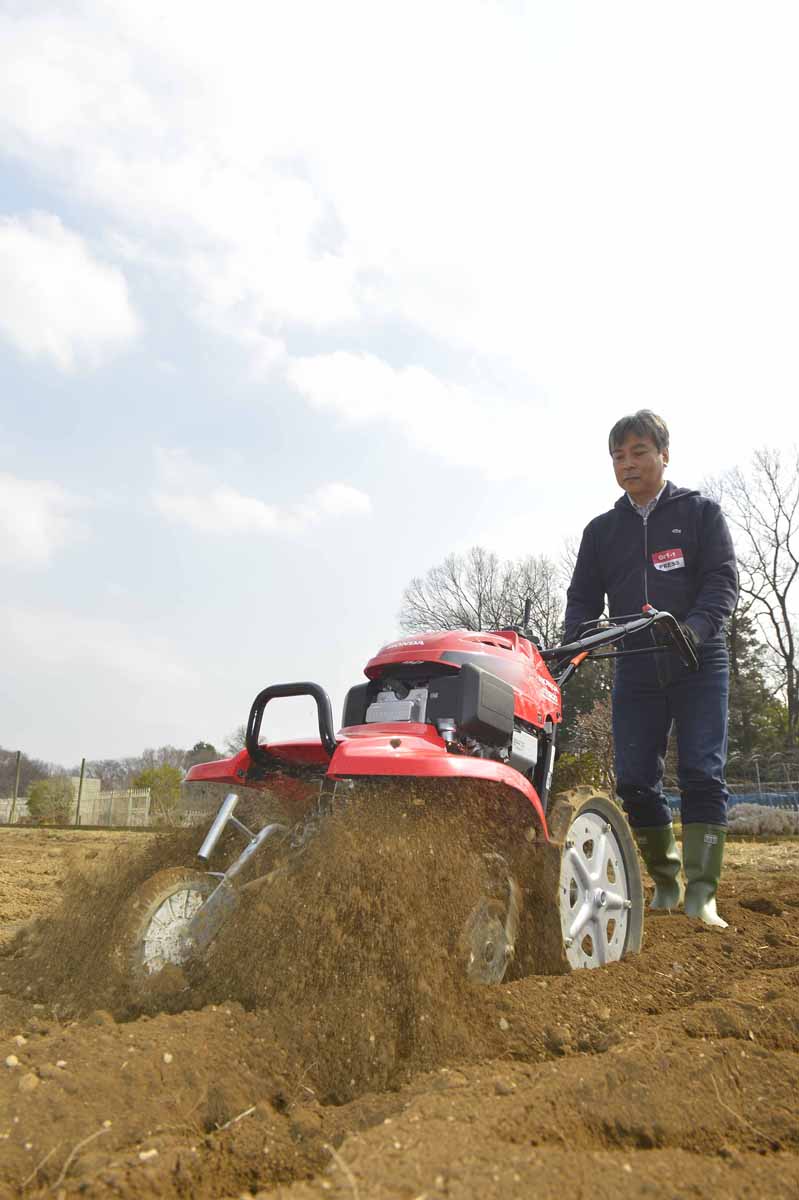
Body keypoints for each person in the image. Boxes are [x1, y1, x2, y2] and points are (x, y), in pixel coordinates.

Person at [564, 410, 738, 928]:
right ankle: (665, 883)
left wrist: (697, 630)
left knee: (702, 772)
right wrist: (575, 644)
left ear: (665, 454)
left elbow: (722, 581)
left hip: (698, 658)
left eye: (639, 452)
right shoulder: (602, 531)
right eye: (618, 456)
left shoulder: (700, 513)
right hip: (635, 664)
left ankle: (702, 894)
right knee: (636, 779)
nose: (628, 464)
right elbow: (581, 602)